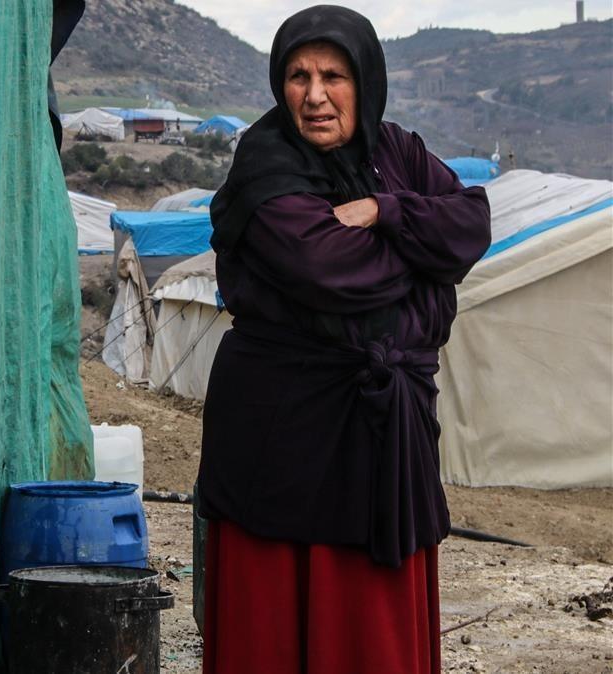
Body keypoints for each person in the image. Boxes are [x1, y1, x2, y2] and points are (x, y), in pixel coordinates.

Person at [198, 6, 491, 674]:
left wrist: (389, 210)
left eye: (333, 75)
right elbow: (332, 271)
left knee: (370, 633)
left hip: (385, 436)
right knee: (274, 629)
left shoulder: (398, 151)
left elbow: (470, 225)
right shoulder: (267, 162)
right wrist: (425, 265)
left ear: (366, 78)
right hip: (284, 435)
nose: (314, 94)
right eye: (298, 75)